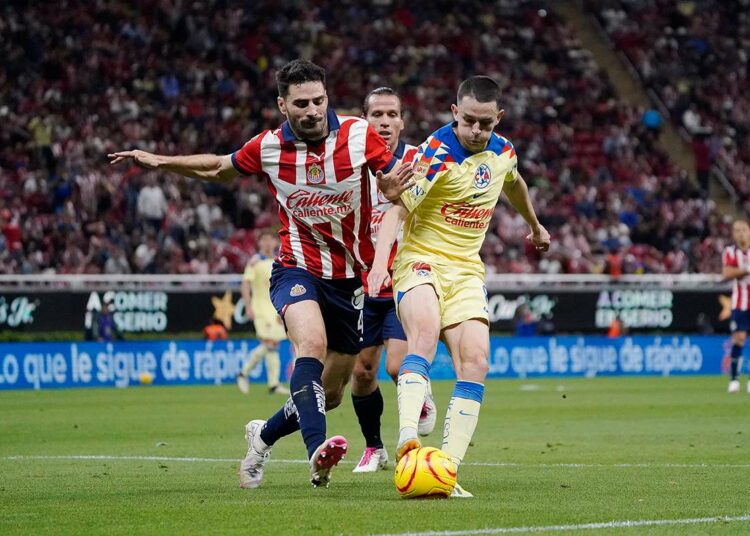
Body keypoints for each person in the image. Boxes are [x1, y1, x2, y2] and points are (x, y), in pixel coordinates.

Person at [109, 59, 413, 489]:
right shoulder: (268, 147)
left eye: (318, 100)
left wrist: (391, 188)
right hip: (297, 267)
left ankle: (262, 436)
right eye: (301, 103)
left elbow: (390, 184)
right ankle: (317, 455)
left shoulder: (358, 134)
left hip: (351, 280)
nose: (312, 110)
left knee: (330, 394)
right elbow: (218, 167)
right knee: (310, 344)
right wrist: (158, 161)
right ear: (282, 105)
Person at [369, 76, 550, 497]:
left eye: (485, 124)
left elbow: (514, 183)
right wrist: (380, 265)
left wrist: (535, 225)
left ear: (498, 119)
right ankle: (408, 442)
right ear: (455, 113)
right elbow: (396, 211)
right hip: (422, 262)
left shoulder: (503, 151)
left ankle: (447, 469)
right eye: (468, 121)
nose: (476, 131)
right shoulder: (435, 155)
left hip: (467, 269)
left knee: (476, 361)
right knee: (426, 334)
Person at [351, 87, 437, 474]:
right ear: (364, 120)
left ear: (402, 121)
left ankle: (420, 388)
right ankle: (374, 447)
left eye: (391, 114)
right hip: (358, 282)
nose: (384, 122)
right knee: (363, 371)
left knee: (395, 366)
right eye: (376, 115)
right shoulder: (349, 163)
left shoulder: (419, 160)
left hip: (404, 277)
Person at [236, 229, 290, 396]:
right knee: (269, 342)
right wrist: (248, 306)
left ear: (275, 243)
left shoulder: (278, 261)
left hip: (274, 309)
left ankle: (273, 384)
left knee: (273, 345)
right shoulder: (254, 262)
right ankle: (243, 373)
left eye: (270, 240)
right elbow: (245, 284)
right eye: (264, 240)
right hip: (260, 308)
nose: (267, 243)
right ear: (259, 243)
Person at [721, 219, 750, 394]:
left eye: (744, 230)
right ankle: (734, 379)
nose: (741, 233)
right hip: (740, 302)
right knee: (738, 338)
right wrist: (746, 270)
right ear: (733, 234)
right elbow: (727, 273)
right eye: (737, 230)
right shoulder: (730, 252)